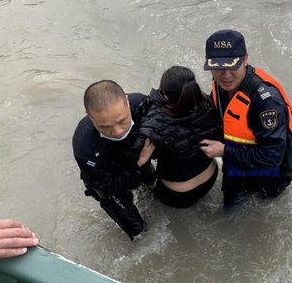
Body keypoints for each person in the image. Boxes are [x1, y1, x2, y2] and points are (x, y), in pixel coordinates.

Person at [199, 29, 292, 206]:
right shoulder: (221, 87)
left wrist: (224, 151)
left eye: (232, 65)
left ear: (245, 59)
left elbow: (272, 156)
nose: (226, 75)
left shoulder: (267, 103)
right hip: (236, 169)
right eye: (219, 67)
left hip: (265, 178)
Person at [127, 66, 222, 208]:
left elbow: (132, 161)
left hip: (177, 195)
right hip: (210, 177)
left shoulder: (153, 122)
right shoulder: (208, 104)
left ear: (165, 95)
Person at [72, 80, 155, 241]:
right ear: (88, 115)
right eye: (105, 127)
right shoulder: (85, 148)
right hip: (111, 178)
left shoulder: (141, 104)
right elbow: (106, 188)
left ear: (126, 100)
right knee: (139, 232)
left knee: (154, 187)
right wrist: (138, 164)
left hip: (138, 158)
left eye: (122, 121)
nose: (117, 132)